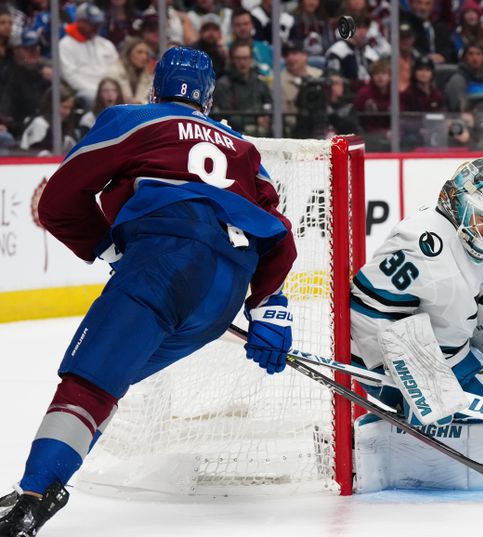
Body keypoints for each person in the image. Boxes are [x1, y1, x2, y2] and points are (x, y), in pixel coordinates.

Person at [0, 47, 296, 536]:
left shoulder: (135, 120)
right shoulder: (244, 148)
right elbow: (278, 232)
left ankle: (33, 498)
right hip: (222, 296)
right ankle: (44, 482)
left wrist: (107, 247)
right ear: (208, 97)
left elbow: (57, 201)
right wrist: (268, 306)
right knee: (110, 382)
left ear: (154, 87)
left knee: (91, 382)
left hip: (161, 265)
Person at [349, 157, 483, 425]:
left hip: (420, 335)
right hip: (373, 355)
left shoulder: (472, 237)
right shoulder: (438, 262)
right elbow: (451, 338)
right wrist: (468, 379)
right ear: (456, 204)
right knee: (480, 413)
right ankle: (410, 426)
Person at [60, 2, 119, 107]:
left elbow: (116, 71)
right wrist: (97, 92)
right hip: (84, 92)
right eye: (92, 24)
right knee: (91, 97)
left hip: (108, 89)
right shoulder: (65, 45)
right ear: (79, 22)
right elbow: (70, 76)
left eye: (98, 23)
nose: (96, 27)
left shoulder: (106, 44)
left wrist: (108, 89)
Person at [213, 40, 272, 136]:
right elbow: (225, 115)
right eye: (238, 58)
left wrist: (267, 116)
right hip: (235, 134)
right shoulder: (223, 84)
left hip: (262, 132)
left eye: (246, 58)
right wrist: (256, 119)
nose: (242, 62)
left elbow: (269, 103)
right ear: (232, 59)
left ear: (251, 59)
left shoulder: (259, 82)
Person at [105, 36, 154, 104]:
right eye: (139, 52)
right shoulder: (113, 73)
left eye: (146, 53)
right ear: (128, 53)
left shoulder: (148, 78)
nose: (144, 57)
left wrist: (137, 103)